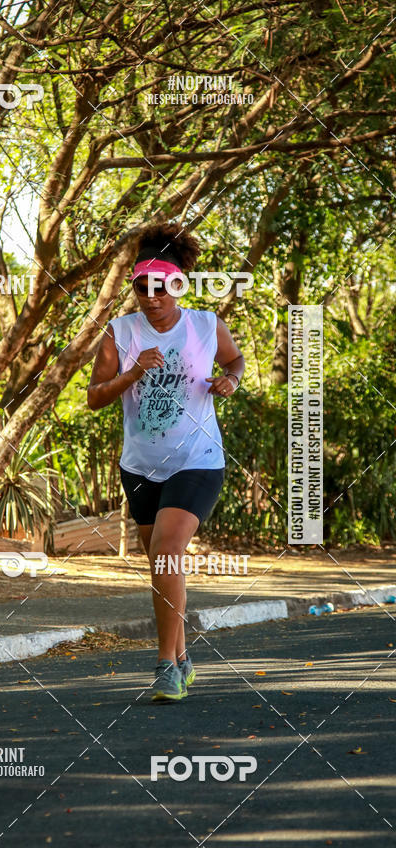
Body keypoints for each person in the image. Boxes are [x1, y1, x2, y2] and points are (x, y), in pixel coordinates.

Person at [87, 224, 244, 703]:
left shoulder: (205, 325)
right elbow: (95, 397)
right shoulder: (120, 332)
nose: (152, 298)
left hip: (197, 460)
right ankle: (182, 657)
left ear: (178, 285)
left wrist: (230, 381)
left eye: (162, 287)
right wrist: (133, 372)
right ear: (134, 287)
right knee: (161, 564)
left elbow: (235, 361)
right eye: (143, 288)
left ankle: (164, 667)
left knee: (169, 551)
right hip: (140, 467)